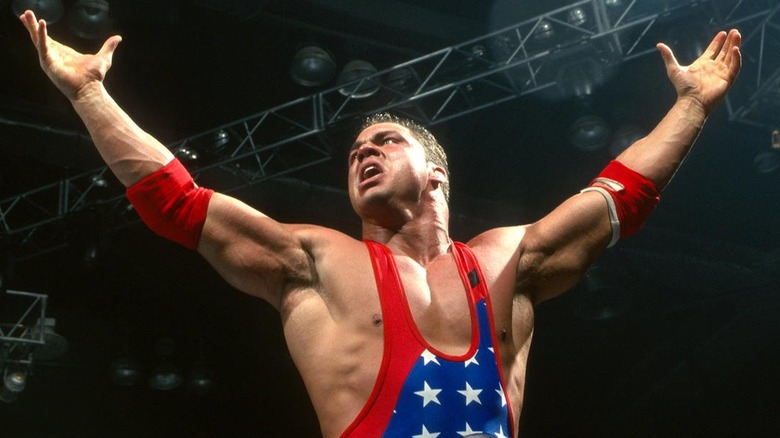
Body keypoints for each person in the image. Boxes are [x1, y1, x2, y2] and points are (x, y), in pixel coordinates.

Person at [19, 9, 741, 438]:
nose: (363, 152)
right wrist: (89, 96)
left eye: (384, 143)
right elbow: (179, 204)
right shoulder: (316, 263)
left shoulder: (507, 260)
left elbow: (618, 200)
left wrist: (693, 106)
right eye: (357, 149)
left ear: (436, 173)